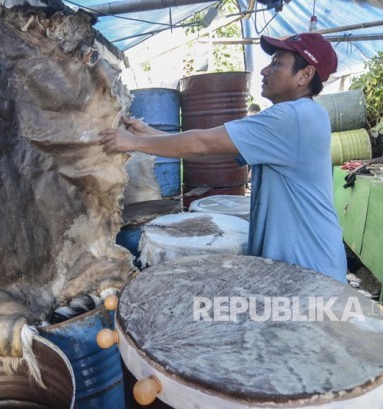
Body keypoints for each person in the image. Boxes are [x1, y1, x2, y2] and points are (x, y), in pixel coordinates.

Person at [99, 33, 347, 283]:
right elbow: (216, 153)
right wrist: (149, 134)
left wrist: (133, 142)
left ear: (305, 75)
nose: (264, 70)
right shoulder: (302, 115)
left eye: (276, 63)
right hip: (302, 268)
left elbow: (203, 144)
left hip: (309, 271)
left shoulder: (293, 116)